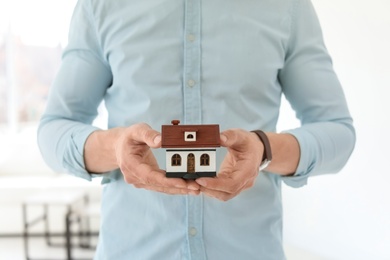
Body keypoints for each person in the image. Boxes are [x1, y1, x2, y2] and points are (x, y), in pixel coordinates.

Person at [38, 0, 356, 259]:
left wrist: (264, 149)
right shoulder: (101, 6)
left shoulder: (287, 7)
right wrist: (115, 147)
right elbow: (54, 129)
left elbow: (337, 133)